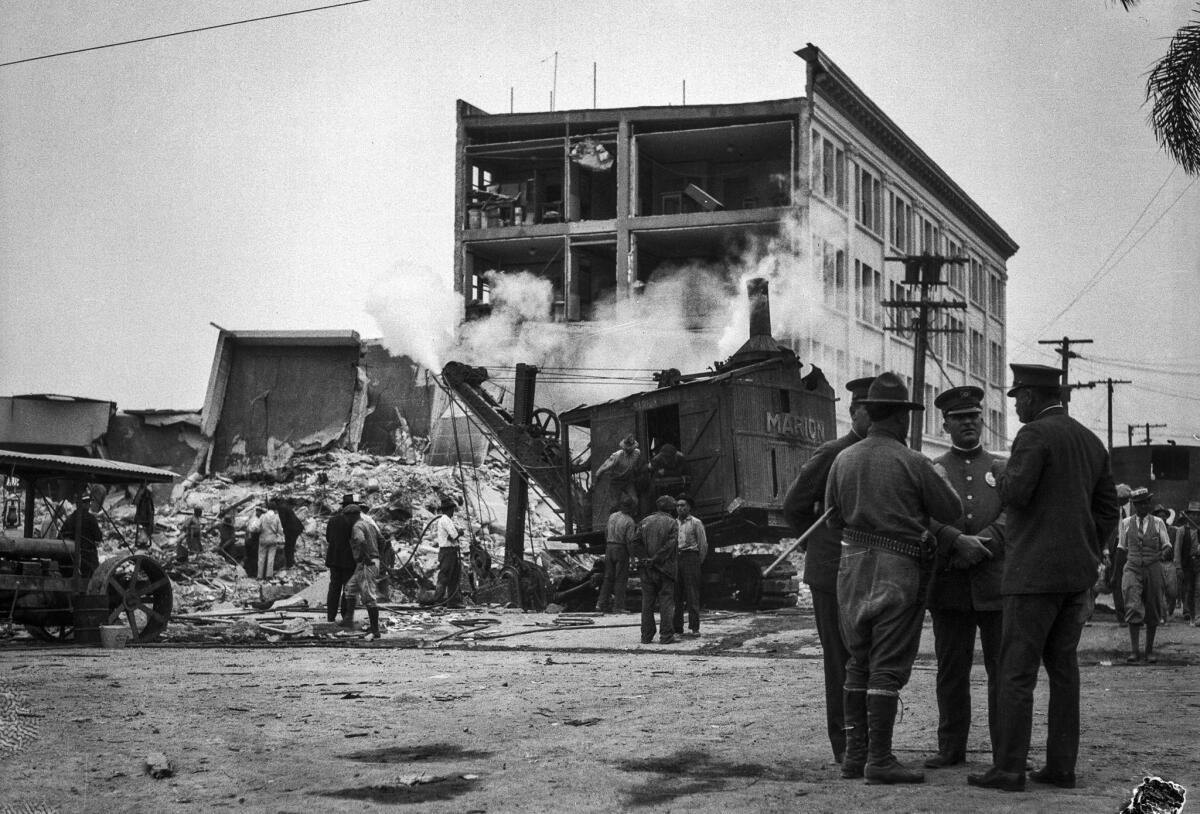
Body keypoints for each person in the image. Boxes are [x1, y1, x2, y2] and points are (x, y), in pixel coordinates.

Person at [969, 364, 1119, 793]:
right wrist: (1085, 546)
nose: (1015, 403)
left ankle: (1010, 770)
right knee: (1064, 672)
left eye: (1018, 396)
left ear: (1033, 397)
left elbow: (1017, 493)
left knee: (1016, 672)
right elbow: (1108, 509)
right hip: (1076, 578)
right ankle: (1061, 768)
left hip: (1032, 576)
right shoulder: (1091, 442)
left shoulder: (1033, 435)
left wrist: (999, 474)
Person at [825, 372, 966, 785]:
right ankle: (880, 759)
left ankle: (856, 756)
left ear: (869, 413)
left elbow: (832, 517)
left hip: (850, 567)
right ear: (902, 419)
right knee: (887, 664)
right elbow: (952, 511)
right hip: (897, 567)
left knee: (858, 660)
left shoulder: (843, 459)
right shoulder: (914, 462)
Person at [781, 375, 873, 766]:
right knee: (839, 660)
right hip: (833, 573)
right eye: (872, 411)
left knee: (872, 658)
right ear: (854, 413)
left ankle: (874, 739)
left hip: (872, 572)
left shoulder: (888, 452)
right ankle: (847, 744)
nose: (881, 419)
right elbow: (794, 505)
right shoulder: (832, 452)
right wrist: (821, 544)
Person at [922, 386, 1007, 770]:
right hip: (950, 584)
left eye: (974, 416)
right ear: (946, 424)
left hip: (995, 584)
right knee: (951, 670)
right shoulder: (933, 469)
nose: (968, 423)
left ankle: (1005, 750)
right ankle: (950, 747)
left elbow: (1015, 515)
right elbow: (922, 515)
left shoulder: (1001, 468)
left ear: (982, 421)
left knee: (1002, 671)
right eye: (960, 418)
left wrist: (983, 542)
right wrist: (955, 541)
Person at [1118, 489, 1172, 663]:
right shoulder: (1125, 523)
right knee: (1132, 605)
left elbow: (1167, 545)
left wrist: (1162, 554)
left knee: (1153, 606)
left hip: (1153, 567)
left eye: (1146, 502)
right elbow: (1121, 548)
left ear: (1149, 503)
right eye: (1139, 503)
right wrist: (1116, 574)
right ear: (1134, 505)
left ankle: (1149, 650)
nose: (1143, 506)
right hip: (1133, 567)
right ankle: (1134, 651)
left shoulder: (1158, 523)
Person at [635, 495, 679, 644]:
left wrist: (646, 559)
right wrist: (655, 559)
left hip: (647, 570)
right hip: (665, 569)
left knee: (647, 603)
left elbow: (635, 542)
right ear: (671, 509)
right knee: (666, 602)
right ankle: (666, 636)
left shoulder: (645, 521)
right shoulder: (672, 523)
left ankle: (646, 636)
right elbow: (670, 545)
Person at [342, 503, 382, 640]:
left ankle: (375, 630)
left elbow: (360, 541)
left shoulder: (357, 526)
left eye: (347, 517)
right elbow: (382, 540)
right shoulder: (369, 525)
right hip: (368, 562)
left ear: (352, 515)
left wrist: (366, 557)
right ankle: (348, 619)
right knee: (350, 589)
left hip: (366, 563)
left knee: (369, 596)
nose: (346, 520)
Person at [672, 494, 707, 637]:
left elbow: (703, 544)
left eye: (683, 505)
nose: (680, 508)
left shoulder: (696, 522)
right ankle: (677, 628)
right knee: (676, 595)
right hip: (676, 558)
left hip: (691, 557)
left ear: (689, 507)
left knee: (692, 594)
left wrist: (697, 562)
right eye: (678, 506)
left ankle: (694, 628)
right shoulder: (673, 523)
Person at [596, 495, 637, 614]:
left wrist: (609, 545)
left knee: (608, 577)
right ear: (630, 508)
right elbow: (629, 541)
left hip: (609, 547)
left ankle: (600, 604)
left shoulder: (612, 516)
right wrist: (633, 558)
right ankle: (618, 606)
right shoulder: (629, 521)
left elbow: (606, 532)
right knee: (620, 578)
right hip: (621, 548)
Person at [325, 493, 360, 626]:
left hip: (333, 559)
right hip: (349, 560)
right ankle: (345, 616)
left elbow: (328, 538)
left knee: (334, 587)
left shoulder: (333, 520)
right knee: (348, 588)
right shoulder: (354, 522)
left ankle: (330, 616)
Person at [430, 497, 465, 607]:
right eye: (452, 510)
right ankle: (438, 601)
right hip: (447, 551)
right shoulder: (445, 520)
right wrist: (460, 532)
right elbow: (453, 536)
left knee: (454, 576)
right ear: (449, 510)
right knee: (444, 576)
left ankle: (454, 602)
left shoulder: (447, 520)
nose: (453, 512)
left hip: (451, 551)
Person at [596, 434, 646, 510]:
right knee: (614, 504)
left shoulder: (637, 453)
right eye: (627, 448)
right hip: (616, 482)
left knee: (635, 500)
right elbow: (604, 467)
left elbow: (640, 464)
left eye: (631, 448)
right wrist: (598, 477)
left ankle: (630, 517)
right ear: (624, 448)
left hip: (628, 481)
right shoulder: (617, 456)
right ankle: (614, 518)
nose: (629, 449)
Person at [59, 491, 102, 579]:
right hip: (87, 558)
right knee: (93, 575)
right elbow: (98, 537)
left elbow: (60, 536)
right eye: (87, 503)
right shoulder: (91, 519)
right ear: (83, 504)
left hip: (70, 558)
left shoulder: (70, 519)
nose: (89, 505)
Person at [1180, 501, 1200, 624]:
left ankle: (1198, 616)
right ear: (1189, 515)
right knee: (1190, 589)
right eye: (1193, 514)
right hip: (1188, 564)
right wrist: (1178, 567)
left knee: (1199, 589)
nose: (1196, 517)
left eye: (1198, 515)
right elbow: (1177, 550)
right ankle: (1192, 615)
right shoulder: (1183, 531)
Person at [256, 501, 284, 580]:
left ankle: (259, 576)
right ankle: (269, 576)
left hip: (263, 539)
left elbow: (257, 527)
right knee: (270, 558)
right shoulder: (277, 517)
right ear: (275, 509)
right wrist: (282, 536)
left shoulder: (263, 516)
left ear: (268, 508)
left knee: (261, 558)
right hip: (272, 539)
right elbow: (280, 530)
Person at [276, 498, 304, 570]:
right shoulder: (286, 508)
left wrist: (279, 531)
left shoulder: (281, 508)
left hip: (292, 529)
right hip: (297, 528)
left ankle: (289, 564)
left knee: (288, 546)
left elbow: (283, 521)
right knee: (291, 545)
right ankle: (291, 561)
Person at [132, 484, 155, 549]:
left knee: (143, 532)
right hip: (144, 519)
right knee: (143, 532)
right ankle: (142, 543)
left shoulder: (145, 497)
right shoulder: (144, 496)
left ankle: (143, 543)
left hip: (144, 519)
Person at [244, 506, 263, 578]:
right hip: (253, 540)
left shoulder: (251, 519)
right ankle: (252, 574)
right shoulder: (256, 520)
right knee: (254, 557)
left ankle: (248, 572)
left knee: (249, 556)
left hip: (248, 540)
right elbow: (254, 529)